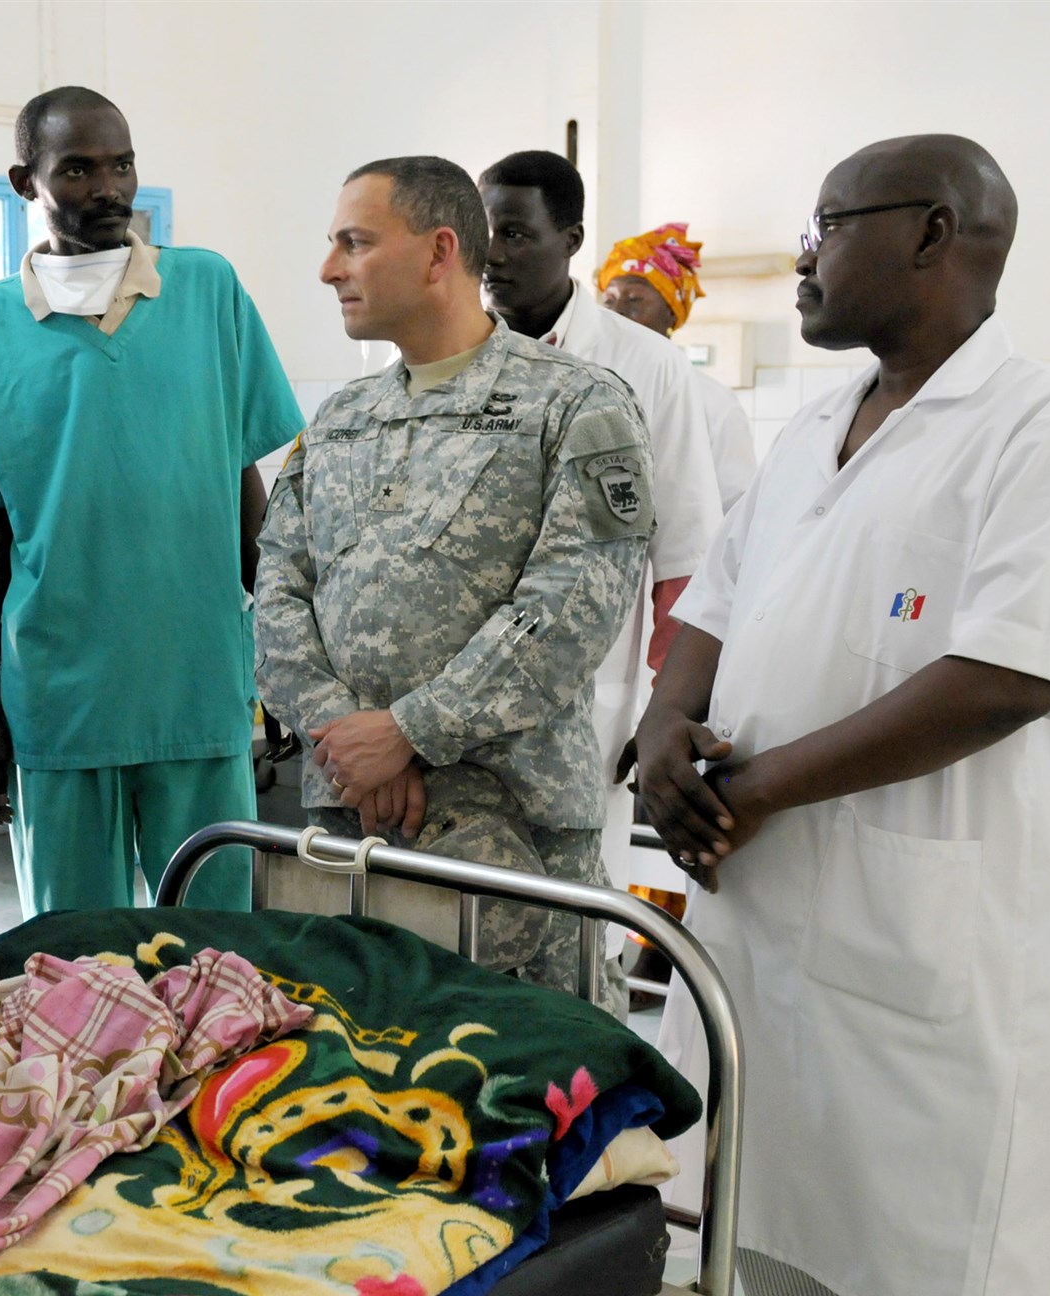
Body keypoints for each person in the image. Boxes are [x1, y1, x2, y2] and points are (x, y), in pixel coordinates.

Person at [636, 135, 1050, 1296]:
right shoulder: (815, 425)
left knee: (911, 1289)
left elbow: (1003, 676)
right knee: (753, 1243)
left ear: (930, 233)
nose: (801, 257)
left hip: (922, 957)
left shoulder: (1043, 432)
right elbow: (710, 605)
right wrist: (663, 730)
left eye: (826, 224)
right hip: (758, 932)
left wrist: (751, 788)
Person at [256, 156, 652, 1014]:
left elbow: (573, 606)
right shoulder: (340, 418)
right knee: (363, 1103)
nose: (330, 269)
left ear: (439, 253)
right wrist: (346, 739)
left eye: (355, 244)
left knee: (543, 1104)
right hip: (350, 830)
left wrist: (411, 730)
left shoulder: (574, 406)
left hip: (516, 847)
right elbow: (278, 586)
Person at [0, 87, 304, 917]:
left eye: (122, 163)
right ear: (26, 181)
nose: (109, 188)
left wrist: (285, 669)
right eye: (79, 169)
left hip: (196, 685)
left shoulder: (207, 292)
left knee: (218, 956)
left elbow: (244, 490)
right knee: (70, 962)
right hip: (59, 697)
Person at [479, 152, 725, 908]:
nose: (493, 252)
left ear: (572, 239)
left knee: (576, 926)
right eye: (482, 229)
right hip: (454, 713)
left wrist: (659, 708)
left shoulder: (644, 369)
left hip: (589, 713)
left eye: (516, 233)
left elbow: (687, 557)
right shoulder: (446, 354)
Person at [596, 222, 757, 514]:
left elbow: (737, 508)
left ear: (671, 311)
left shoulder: (713, 404)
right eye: (609, 301)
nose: (617, 313)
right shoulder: (582, 387)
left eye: (634, 300)